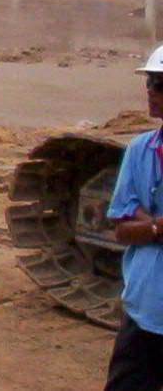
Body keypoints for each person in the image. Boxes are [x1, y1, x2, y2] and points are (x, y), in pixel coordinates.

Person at [104, 44, 163, 391]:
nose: (150, 91)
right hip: (144, 311)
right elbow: (121, 228)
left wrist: (145, 220)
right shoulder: (140, 150)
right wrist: (155, 226)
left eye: (160, 84)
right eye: (150, 82)